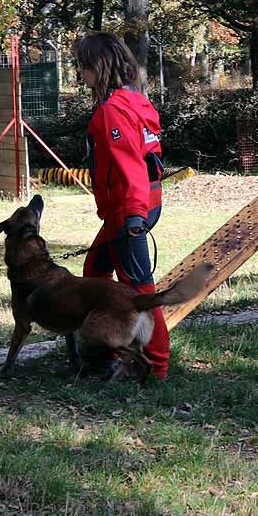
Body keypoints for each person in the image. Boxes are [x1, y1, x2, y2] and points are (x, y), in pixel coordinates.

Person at [75, 33, 168, 380]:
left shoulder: (113, 110)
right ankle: (105, 350)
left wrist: (132, 217)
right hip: (143, 202)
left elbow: (129, 165)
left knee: (140, 289)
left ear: (98, 67)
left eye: (83, 67)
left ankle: (157, 368)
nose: (81, 75)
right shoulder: (136, 101)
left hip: (129, 209)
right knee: (95, 272)